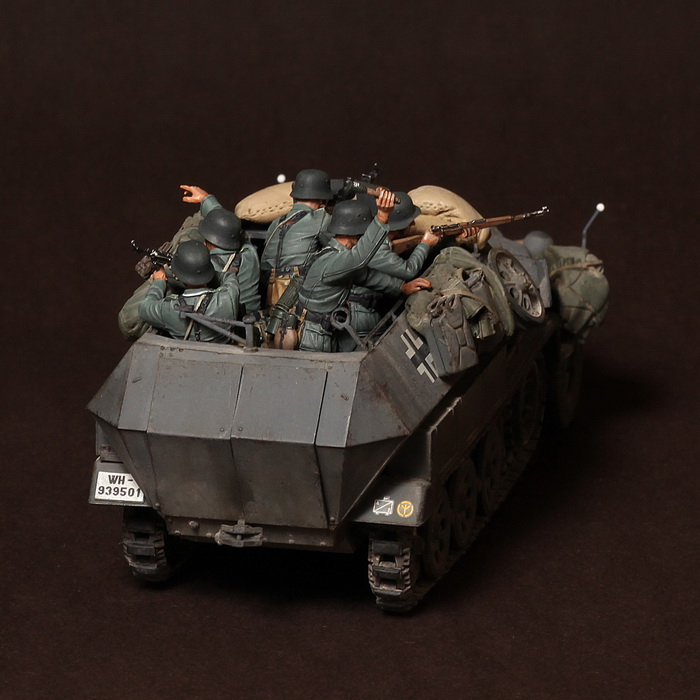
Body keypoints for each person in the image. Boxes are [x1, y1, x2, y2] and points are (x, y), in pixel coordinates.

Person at [296, 190, 431, 353]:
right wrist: (382, 217)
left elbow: (367, 276)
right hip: (313, 336)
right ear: (356, 232)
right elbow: (360, 258)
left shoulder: (338, 257)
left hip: (324, 331)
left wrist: (401, 287)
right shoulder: (332, 261)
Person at [341, 191, 442, 348]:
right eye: (409, 221)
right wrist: (425, 244)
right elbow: (408, 270)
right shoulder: (378, 246)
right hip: (360, 312)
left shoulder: (377, 238)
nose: (413, 224)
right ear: (399, 225)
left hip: (367, 306)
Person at [139, 240, 240, 343]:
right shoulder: (229, 296)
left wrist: (159, 282)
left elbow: (144, 308)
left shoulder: (168, 308)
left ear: (177, 276)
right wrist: (202, 271)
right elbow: (228, 277)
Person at [180, 186, 261, 313]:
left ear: (207, 242)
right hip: (254, 313)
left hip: (235, 318)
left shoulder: (211, 265)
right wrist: (206, 199)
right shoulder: (248, 250)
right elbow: (225, 223)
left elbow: (185, 275)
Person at [260, 168, 334, 307]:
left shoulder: (277, 222)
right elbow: (340, 250)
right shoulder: (320, 218)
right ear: (322, 200)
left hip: (271, 293)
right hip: (298, 294)